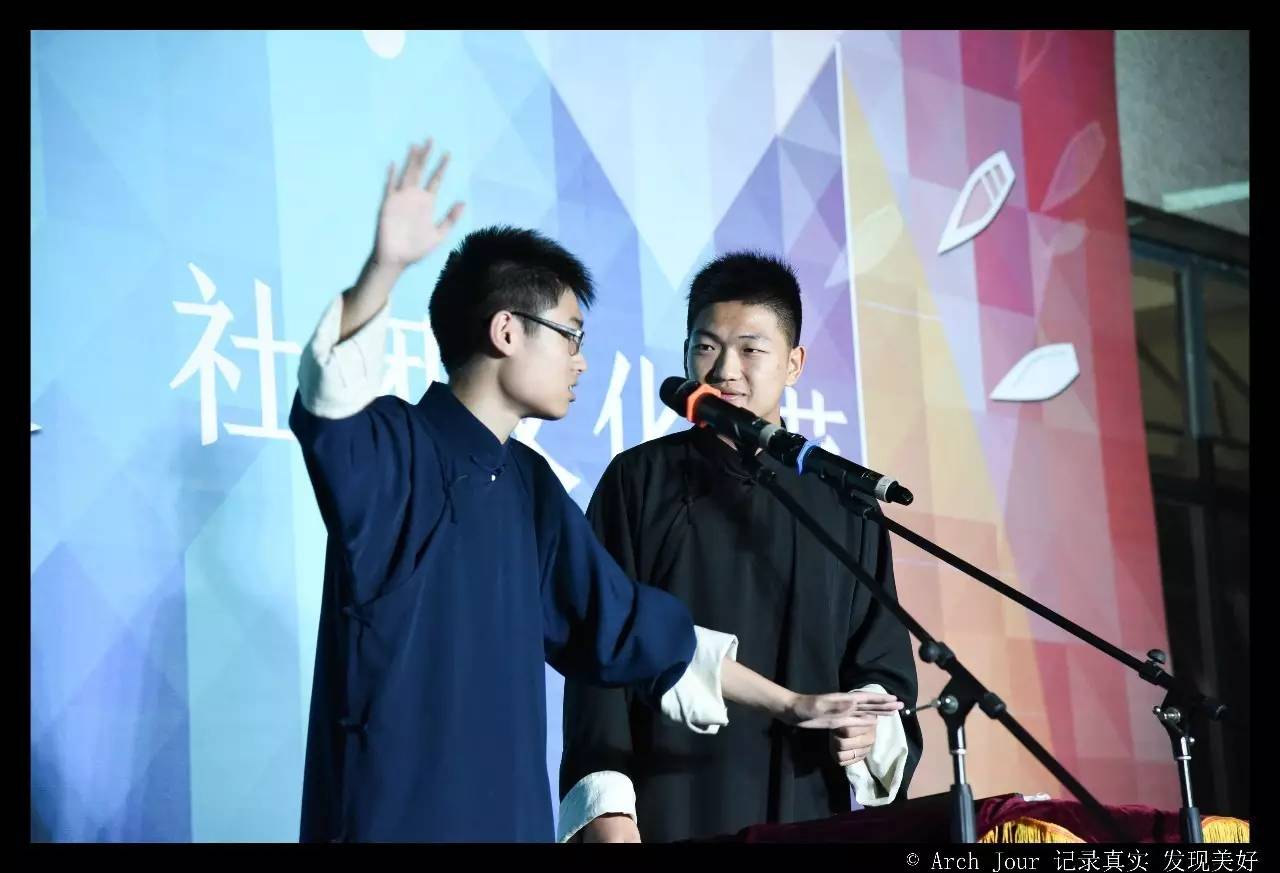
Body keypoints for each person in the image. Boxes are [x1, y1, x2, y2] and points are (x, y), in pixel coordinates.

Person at [289, 139, 886, 842]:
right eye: (570, 335)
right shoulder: (396, 448)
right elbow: (330, 400)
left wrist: (791, 704)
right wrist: (384, 269)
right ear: (506, 331)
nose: (580, 361)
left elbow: (629, 627)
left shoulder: (529, 486)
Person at [559, 252, 922, 843]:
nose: (725, 370)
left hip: (807, 802)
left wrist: (865, 725)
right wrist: (608, 810)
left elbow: (879, 660)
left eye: (751, 349)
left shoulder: (843, 499)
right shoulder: (638, 481)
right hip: (669, 798)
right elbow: (599, 649)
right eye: (706, 347)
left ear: (794, 363)